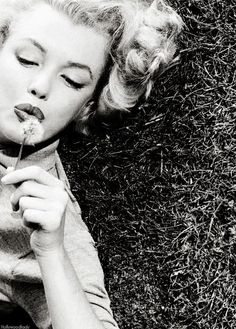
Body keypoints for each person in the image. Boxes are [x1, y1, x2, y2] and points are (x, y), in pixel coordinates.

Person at [0, 0, 183, 328]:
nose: (40, 87)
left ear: (88, 104)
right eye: (27, 60)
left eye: (71, 80)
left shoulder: (42, 218)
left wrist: (52, 254)